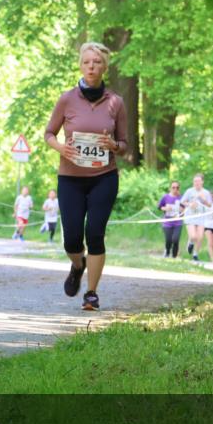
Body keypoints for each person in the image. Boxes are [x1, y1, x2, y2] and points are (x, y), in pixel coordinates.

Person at [44, 42, 127, 311]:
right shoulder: (67, 99)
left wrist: (114, 146)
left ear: (105, 66)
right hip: (70, 178)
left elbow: (125, 145)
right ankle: (77, 264)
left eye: (97, 62)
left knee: (95, 233)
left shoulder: (116, 102)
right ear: (80, 65)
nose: (92, 66)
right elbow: (48, 134)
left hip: (104, 176)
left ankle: (91, 293)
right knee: (71, 238)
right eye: (87, 62)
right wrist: (61, 148)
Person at [181, 173, 212, 262]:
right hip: (190, 216)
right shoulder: (189, 191)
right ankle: (190, 242)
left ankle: (195, 254)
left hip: (201, 217)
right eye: (195, 181)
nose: (197, 183)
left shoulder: (206, 192)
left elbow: (209, 205)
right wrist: (190, 204)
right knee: (194, 236)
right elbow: (183, 202)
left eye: (198, 181)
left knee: (200, 236)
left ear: (202, 182)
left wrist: (204, 199)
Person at [158, 181, 183, 258]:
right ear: (170, 188)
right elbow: (159, 207)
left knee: (175, 239)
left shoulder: (181, 197)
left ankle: (174, 256)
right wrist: (165, 208)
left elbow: (185, 208)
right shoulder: (165, 197)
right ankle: (167, 251)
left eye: (177, 187)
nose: (175, 189)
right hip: (167, 222)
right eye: (173, 187)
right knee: (168, 240)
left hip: (178, 222)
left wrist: (181, 209)